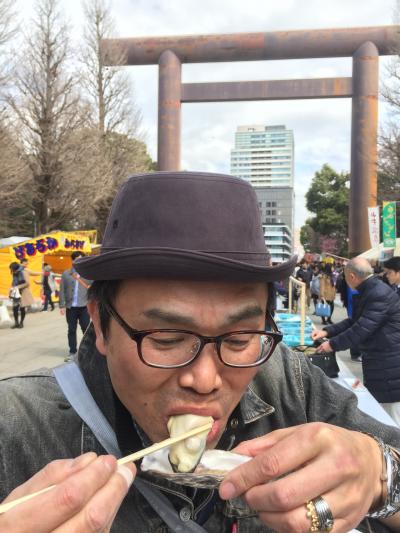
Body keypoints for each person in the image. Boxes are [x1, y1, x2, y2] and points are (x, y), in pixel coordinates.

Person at [1, 172, 400, 533]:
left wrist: (381, 475)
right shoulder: (15, 426)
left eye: (240, 338)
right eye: (167, 339)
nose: (205, 380)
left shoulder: (286, 381)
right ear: (101, 325)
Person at [312, 256, 400, 425]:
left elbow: (361, 329)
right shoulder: (372, 289)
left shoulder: (377, 293)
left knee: (393, 418)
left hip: (389, 364)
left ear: (351, 276)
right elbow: (355, 321)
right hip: (381, 362)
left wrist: (331, 344)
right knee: (385, 415)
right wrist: (326, 331)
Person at [59, 251, 92, 362]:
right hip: (71, 307)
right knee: (71, 330)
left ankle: (87, 352)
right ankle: (72, 352)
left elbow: (94, 287)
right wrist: (62, 305)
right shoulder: (66, 274)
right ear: (72, 260)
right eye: (76, 259)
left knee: (86, 329)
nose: (78, 261)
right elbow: (62, 290)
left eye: (80, 259)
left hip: (84, 307)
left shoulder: (88, 274)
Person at [8, 261, 35, 328]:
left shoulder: (23, 272)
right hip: (16, 293)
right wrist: (11, 291)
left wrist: (17, 287)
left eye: (12, 269)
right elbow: (13, 282)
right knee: (15, 308)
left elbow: (27, 283)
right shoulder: (15, 273)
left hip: (23, 292)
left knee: (22, 308)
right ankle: (16, 323)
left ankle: (21, 323)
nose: (11, 270)